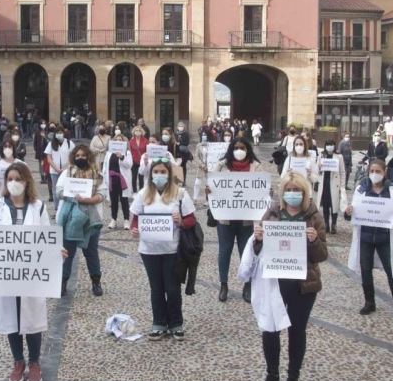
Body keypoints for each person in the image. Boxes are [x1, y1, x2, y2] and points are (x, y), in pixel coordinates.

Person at [0, 162, 66, 381]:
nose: (13, 183)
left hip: (31, 273)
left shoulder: (37, 207)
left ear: (26, 181)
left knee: (32, 318)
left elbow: (48, 236)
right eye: (10, 179)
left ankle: (35, 363)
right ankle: (18, 362)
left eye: (18, 179)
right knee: (12, 318)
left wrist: (57, 251)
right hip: (6, 273)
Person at [241, 171, 327, 381]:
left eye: (296, 190)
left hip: (303, 283)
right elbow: (258, 250)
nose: (292, 194)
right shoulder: (272, 213)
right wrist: (258, 239)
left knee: (297, 330)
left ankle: (292, 377)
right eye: (288, 190)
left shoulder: (314, 216)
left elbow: (322, 255)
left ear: (304, 192)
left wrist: (314, 240)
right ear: (282, 193)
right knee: (270, 328)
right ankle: (272, 374)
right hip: (275, 281)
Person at [130, 158, 196, 340]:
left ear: (169, 173)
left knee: (172, 287)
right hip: (149, 250)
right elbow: (135, 218)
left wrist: (181, 222)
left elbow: (191, 219)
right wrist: (134, 230)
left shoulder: (180, 193)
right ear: (151, 174)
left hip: (172, 249)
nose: (159, 175)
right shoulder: (144, 194)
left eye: (163, 172)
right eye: (156, 172)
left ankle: (176, 323)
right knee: (156, 288)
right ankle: (159, 322)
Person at [345, 159, 393, 321]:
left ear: (384, 172)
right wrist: (349, 211)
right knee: (365, 269)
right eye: (372, 171)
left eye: (378, 171)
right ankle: (369, 302)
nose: (375, 174)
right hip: (366, 237)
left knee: (391, 271)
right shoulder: (361, 189)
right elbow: (352, 212)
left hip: (384, 238)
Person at [207, 137, 269, 302]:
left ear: (248, 149)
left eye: (242, 147)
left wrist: (267, 193)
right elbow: (212, 186)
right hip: (225, 219)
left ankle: (247, 285)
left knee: (246, 252)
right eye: (236, 147)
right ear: (231, 149)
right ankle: (223, 284)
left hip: (247, 220)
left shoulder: (256, 166)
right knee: (224, 251)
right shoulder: (221, 166)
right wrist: (209, 190)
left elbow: (263, 187)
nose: (239, 150)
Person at [55, 145, 106, 297]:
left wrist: (89, 199)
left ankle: (96, 281)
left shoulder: (97, 173)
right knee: (67, 251)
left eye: (83, 155)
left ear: (88, 156)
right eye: (77, 155)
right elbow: (58, 191)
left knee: (91, 251)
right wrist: (71, 196)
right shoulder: (67, 172)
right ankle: (63, 282)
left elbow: (102, 194)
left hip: (91, 217)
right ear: (73, 157)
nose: (80, 158)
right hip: (71, 216)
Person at [316, 139, 346, 235]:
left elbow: (342, 172)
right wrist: (319, 167)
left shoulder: (339, 156)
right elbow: (317, 169)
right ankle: (326, 224)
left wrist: (342, 186)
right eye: (328, 144)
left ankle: (334, 224)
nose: (330, 146)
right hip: (324, 182)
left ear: (334, 146)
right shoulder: (322, 155)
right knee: (325, 205)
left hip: (334, 183)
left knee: (334, 205)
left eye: (331, 144)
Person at [103, 133, 132, 230]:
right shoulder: (109, 153)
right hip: (112, 179)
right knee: (114, 200)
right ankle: (113, 219)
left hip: (122, 179)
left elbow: (129, 165)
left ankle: (126, 220)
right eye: (116, 140)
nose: (118, 141)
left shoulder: (127, 153)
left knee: (124, 200)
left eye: (120, 140)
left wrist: (122, 158)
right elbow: (105, 166)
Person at [44, 126, 74, 211]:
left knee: (67, 188)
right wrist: (57, 169)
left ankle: (66, 208)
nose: (59, 134)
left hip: (67, 170)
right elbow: (49, 158)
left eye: (60, 133)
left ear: (63, 133)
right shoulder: (51, 143)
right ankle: (57, 208)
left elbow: (72, 156)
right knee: (55, 189)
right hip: (54, 170)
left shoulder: (69, 143)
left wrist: (64, 168)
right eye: (57, 133)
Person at [129, 126, 149, 195]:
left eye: (139, 130)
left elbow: (147, 151)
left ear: (142, 132)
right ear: (134, 132)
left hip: (142, 162)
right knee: (133, 177)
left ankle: (141, 191)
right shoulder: (131, 141)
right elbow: (130, 152)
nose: (137, 132)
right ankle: (134, 191)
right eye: (136, 130)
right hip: (134, 161)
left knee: (141, 178)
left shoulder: (145, 140)